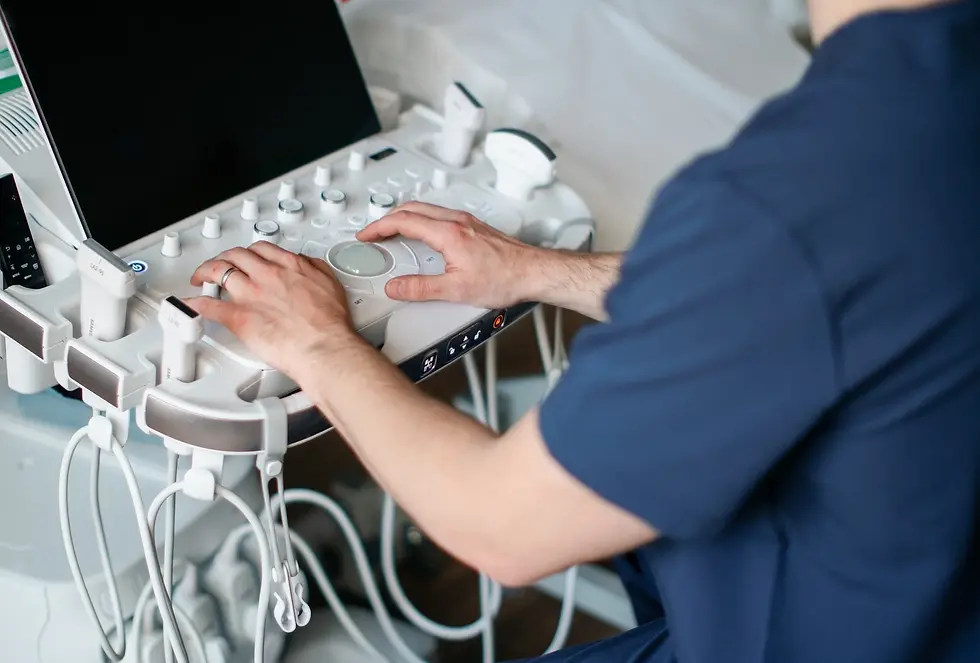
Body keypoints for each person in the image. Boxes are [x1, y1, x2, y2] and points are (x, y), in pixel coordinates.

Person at [186, 0, 980, 660]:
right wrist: (541, 270)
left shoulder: (813, 185)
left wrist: (321, 342)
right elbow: (827, 293)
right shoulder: (933, 110)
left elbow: (499, 524)